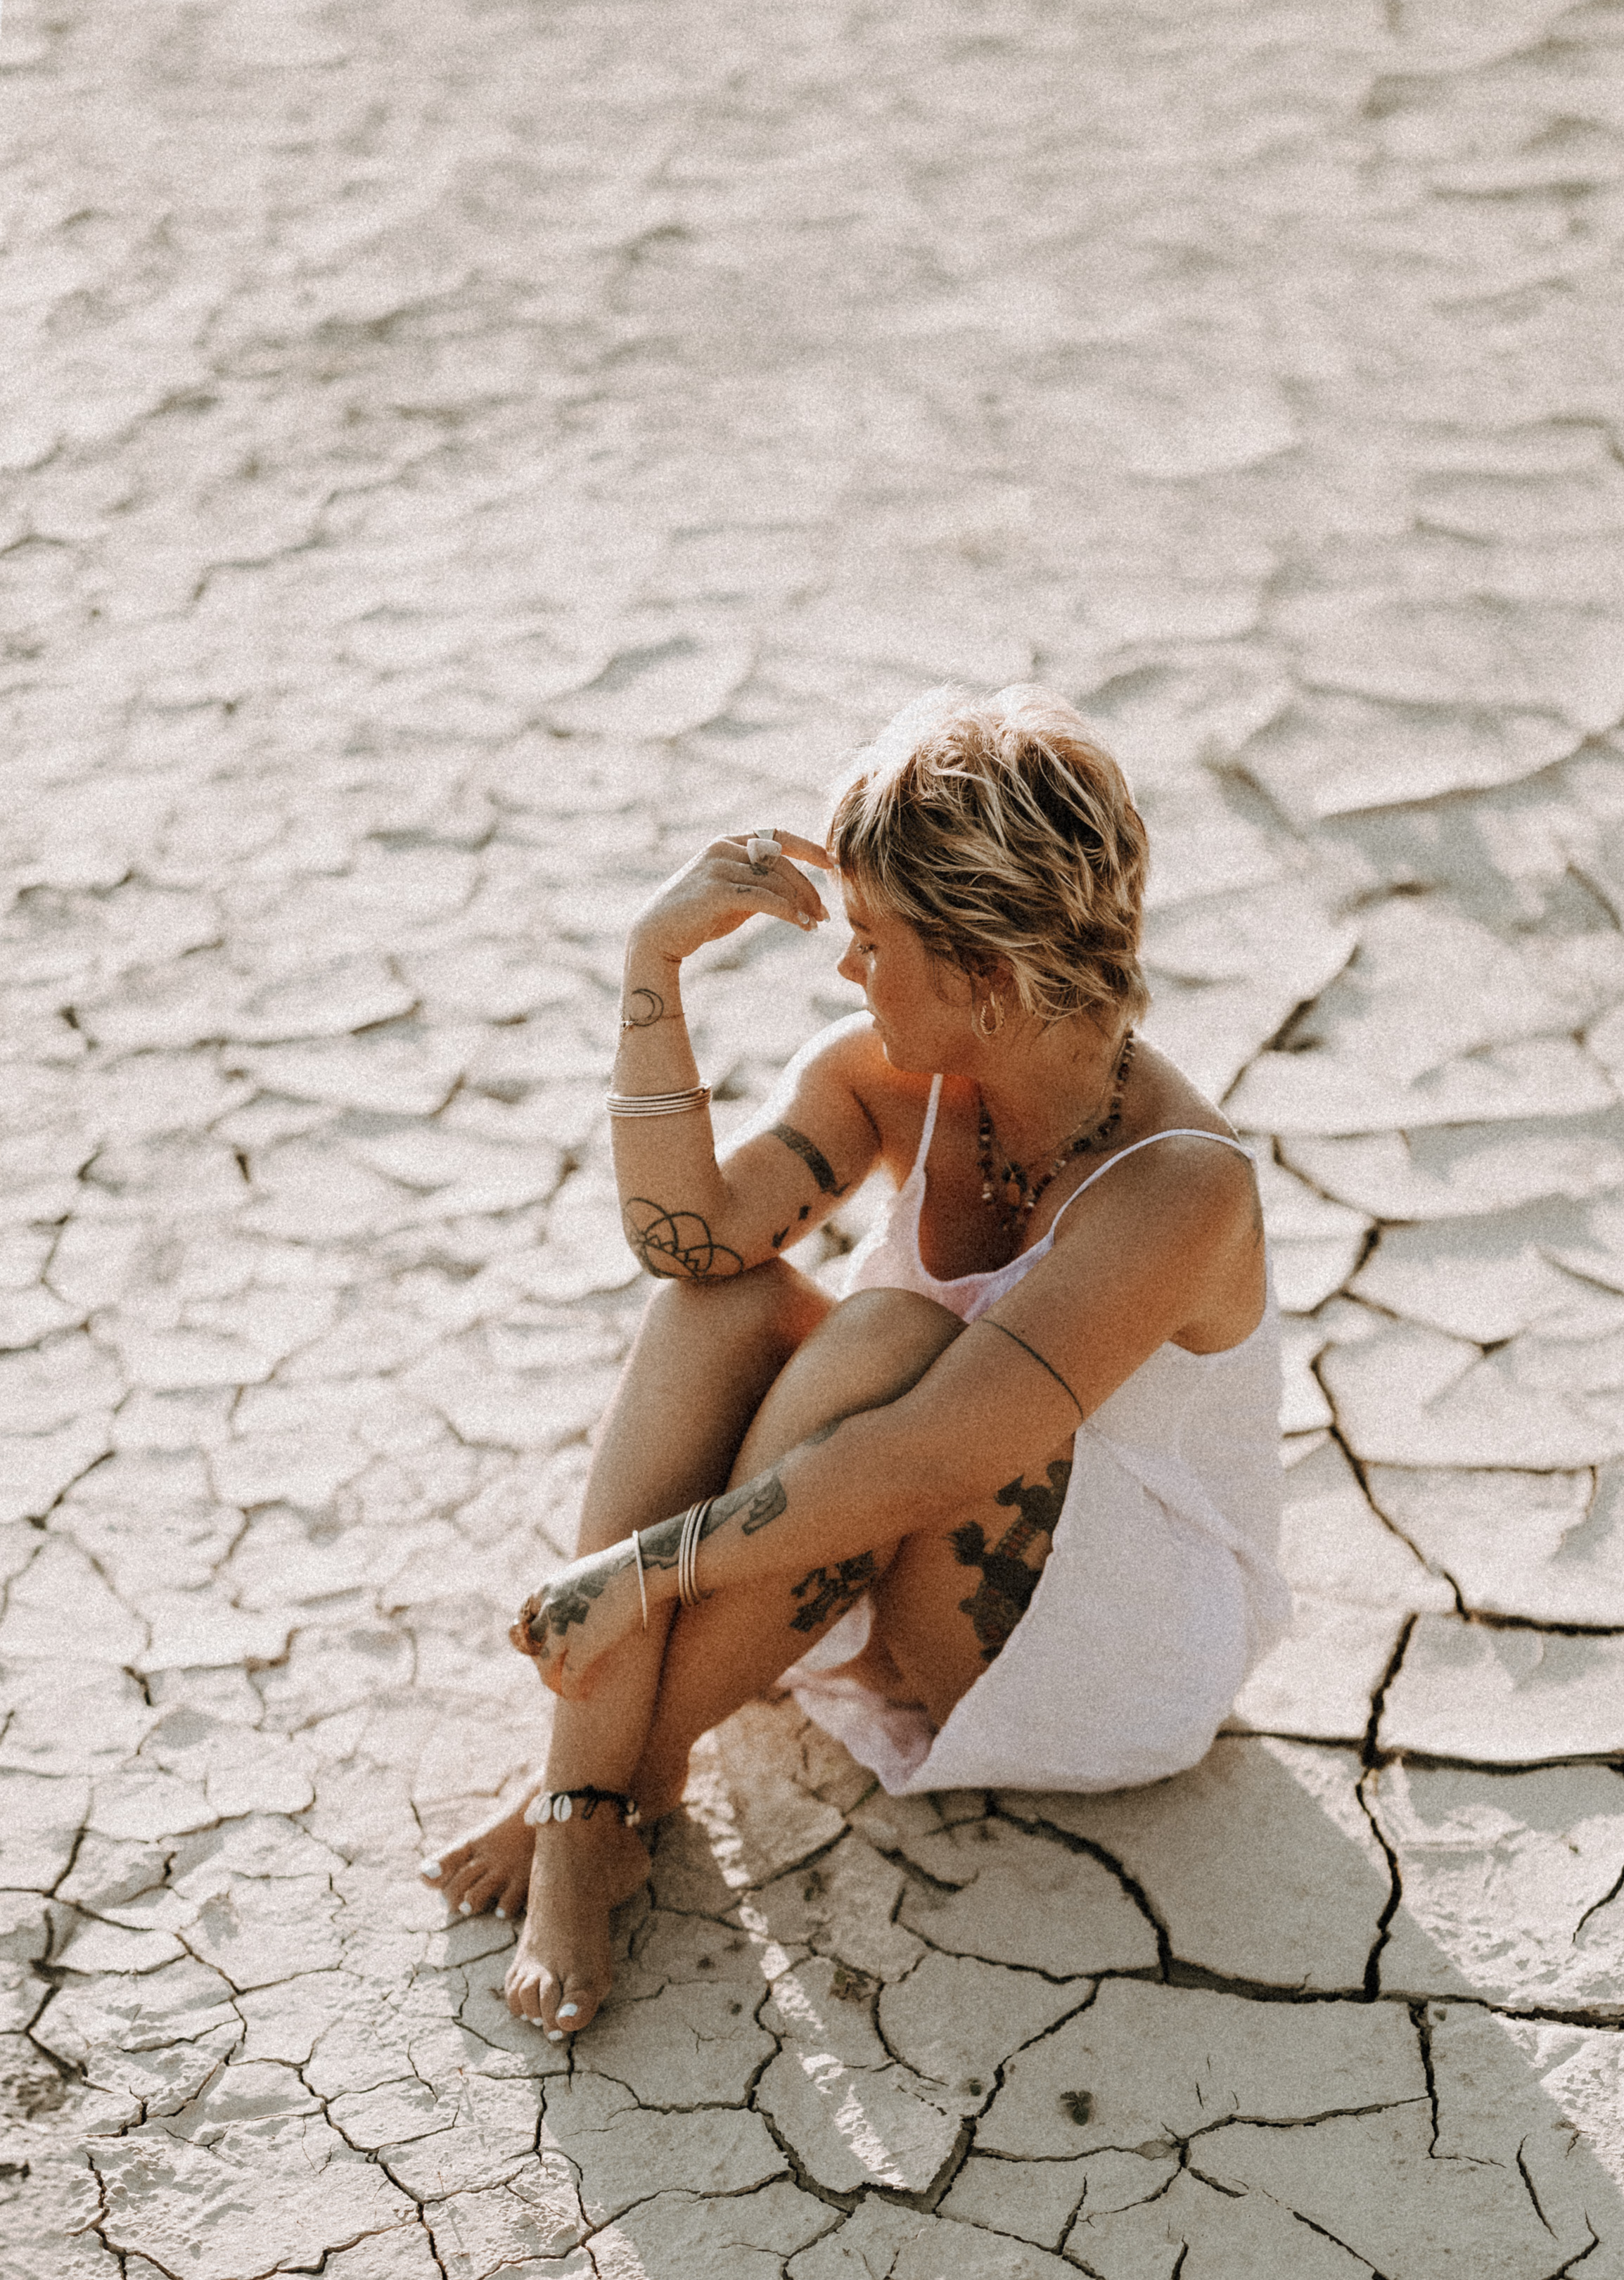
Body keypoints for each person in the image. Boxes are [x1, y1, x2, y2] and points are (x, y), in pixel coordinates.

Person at [418, 687, 1289, 2037]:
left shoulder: (1180, 1189)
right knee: (720, 1308)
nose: (846, 971)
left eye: (874, 942)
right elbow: (685, 1237)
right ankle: (590, 1805)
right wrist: (652, 968)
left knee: (896, 1340)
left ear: (987, 975)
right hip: (894, 1533)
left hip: (1101, 1640)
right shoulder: (894, 1075)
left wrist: (636, 1570)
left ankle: (614, 1787)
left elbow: (924, 1460)